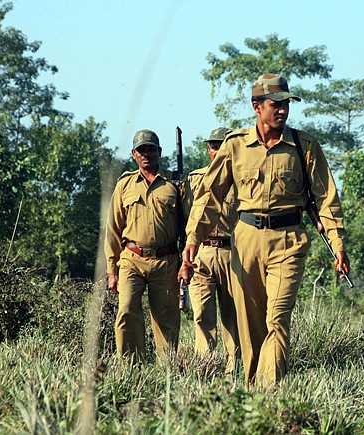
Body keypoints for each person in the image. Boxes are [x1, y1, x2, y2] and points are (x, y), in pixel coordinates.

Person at [181, 74, 350, 386]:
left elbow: (327, 198)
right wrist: (193, 239)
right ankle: (252, 390)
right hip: (245, 241)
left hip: (289, 241)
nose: (282, 110)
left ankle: (271, 390)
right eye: (276, 104)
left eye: (286, 104)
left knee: (277, 317)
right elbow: (210, 197)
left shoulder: (305, 147)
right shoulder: (235, 146)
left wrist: (338, 244)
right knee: (251, 322)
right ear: (257, 106)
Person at [105, 129, 184, 361]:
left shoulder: (175, 183)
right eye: (141, 150)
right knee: (127, 310)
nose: (146, 154)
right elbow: (112, 229)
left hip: (166, 260)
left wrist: (186, 261)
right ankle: (131, 367)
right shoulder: (125, 185)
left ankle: (167, 370)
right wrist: (112, 270)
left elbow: (187, 226)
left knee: (166, 319)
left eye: (151, 149)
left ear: (159, 152)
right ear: (133, 154)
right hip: (132, 259)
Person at [181, 127, 241, 376]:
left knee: (233, 316)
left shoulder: (242, 180)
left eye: (223, 146)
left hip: (232, 252)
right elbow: (183, 219)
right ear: (209, 149)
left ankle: (233, 371)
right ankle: (204, 369)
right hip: (201, 254)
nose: (218, 151)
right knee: (202, 314)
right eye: (214, 146)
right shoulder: (195, 180)